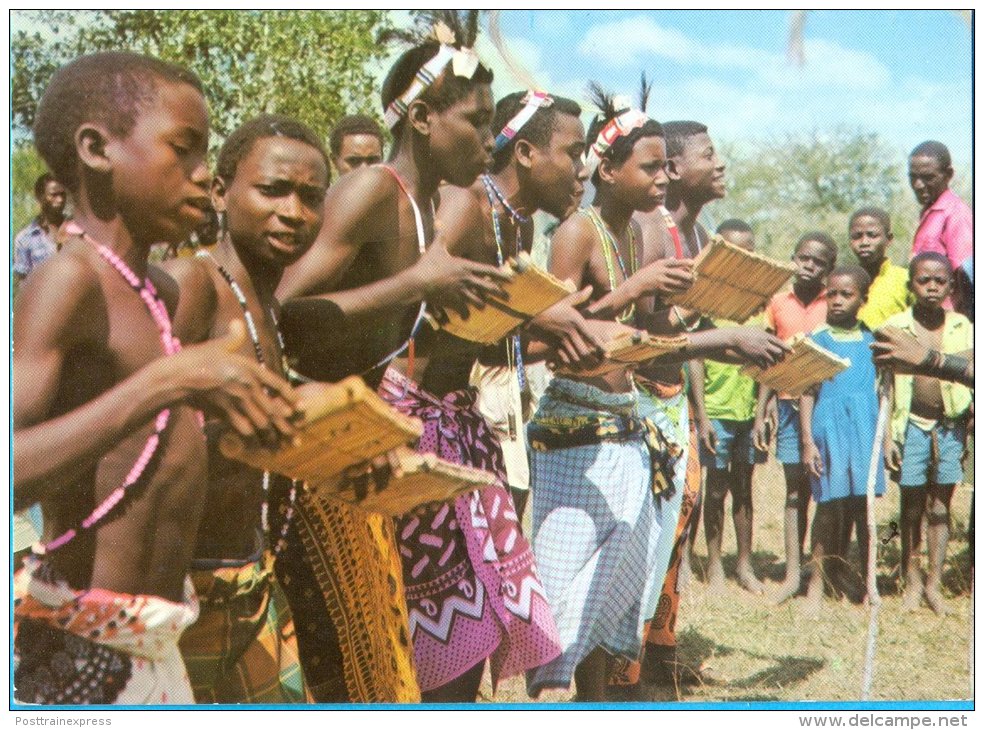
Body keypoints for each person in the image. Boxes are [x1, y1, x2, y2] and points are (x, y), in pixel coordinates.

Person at [279, 13, 561, 703]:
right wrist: (416, 283)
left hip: (380, 443)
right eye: (475, 120)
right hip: (328, 448)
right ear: (425, 119)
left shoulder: (435, 207)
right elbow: (287, 308)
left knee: (412, 656)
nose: (490, 138)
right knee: (361, 667)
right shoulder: (373, 190)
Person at [13, 51, 299, 705]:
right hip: (86, 653)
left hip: (159, 641)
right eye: (184, 151)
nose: (205, 179)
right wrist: (166, 381)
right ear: (96, 149)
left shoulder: (156, 292)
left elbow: (146, 459)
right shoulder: (69, 280)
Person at [163, 114, 331, 703]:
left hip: (252, 582)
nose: (293, 212)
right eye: (272, 190)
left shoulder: (267, 304)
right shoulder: (193, 286)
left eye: (312, 198)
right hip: (182, 592)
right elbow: (128, 437)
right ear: (219, 192)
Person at [433, 88, 606, 521]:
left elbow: (487, 344)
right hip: (416, 421)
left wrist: (566, 337)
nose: (582, 170)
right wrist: (534, 314)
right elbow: (413, 306)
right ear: (526, 153)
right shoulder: (463, 203)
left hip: (463, 415)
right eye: (573, 153)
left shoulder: (519, 225)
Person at [883, 252, 972, 614]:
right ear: (910, 287)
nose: (932, 287)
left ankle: (934, 583)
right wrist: (889, 437)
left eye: (939, 281)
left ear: (951, 286)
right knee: (910, 506)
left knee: (940, 507)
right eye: (924, 280)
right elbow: (884, 387)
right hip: (911, 427)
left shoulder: (964, 327)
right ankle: (912, 581)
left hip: (950, 427)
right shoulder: (895, 328)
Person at [756, 232, 837, 605]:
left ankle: (820, 573)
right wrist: (763, 409)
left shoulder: (833, 304)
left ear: (829, 269)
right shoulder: (777, 303)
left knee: (823, 490)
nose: (808, 266)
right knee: (793, 492)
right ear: (793, 258)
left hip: (825, 408)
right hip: (788, 405)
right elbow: (769, 359)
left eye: (817, 262)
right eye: (802, 258)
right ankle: (792, 573)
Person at [800, 265, 884, 613]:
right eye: (831, 293)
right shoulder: (818, 340)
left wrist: (887, 440)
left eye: (845, 294)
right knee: (828, 508)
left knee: (866, 512)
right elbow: (807, 392)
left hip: (865, 432)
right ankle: (816, 583)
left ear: (862, 300)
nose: (836, 301)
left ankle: (869, 583)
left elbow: (884, 394)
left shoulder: (874, 341)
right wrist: (807, 441)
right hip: (828, 431)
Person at [690, 219, 767, 596]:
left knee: (745, 489)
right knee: (715, 490)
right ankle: (715, 562)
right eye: (733, 250)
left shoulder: (759, 305)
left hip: (747, 415)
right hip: (717, 414)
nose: (741, 257)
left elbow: (770, 361)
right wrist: (702, 415)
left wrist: (763, 411)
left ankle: (744, 564)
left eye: (747, 250)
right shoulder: (708, 304)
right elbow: (695, 359)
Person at [908, 141, 972, 316]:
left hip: (949, 320)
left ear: (948, 175)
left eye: (928, 177)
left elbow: (967, 273)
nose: (918, 185)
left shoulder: (955, 214)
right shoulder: (930, 211)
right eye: (913, 177)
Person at [849, 207, 911, 330]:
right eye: (857, 236)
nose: (864, 242)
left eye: (872, 235)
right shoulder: (845, 281)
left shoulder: (905, 279)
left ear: (889, 239)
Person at [13, 172, 69, 287]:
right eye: (54, 195)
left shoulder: (77, 231)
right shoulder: (25, 239)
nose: (60, 200)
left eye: (62, 194)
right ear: (40, 198)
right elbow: (24, 285)